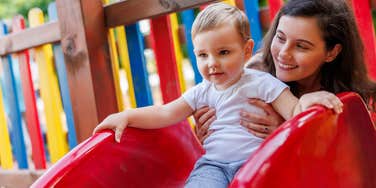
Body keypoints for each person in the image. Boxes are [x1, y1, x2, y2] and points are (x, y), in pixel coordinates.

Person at [94, 3, 343, 187]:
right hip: (214, 166)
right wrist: (126, 116)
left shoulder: (262, 82)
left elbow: (294, 111)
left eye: (223, 52)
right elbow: (165, 112)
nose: (212, 63)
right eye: (203, 55)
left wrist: (309, 99)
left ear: (246, 51)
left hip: (258, 162)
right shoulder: (202, 91)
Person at [194, 0, 376, 143]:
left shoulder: (349, 99)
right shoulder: (252, 74)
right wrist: (208, 133)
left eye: (301, 46)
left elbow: (353, 163)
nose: (283, 53)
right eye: (280, 38)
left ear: (332, 52)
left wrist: (288, 131)